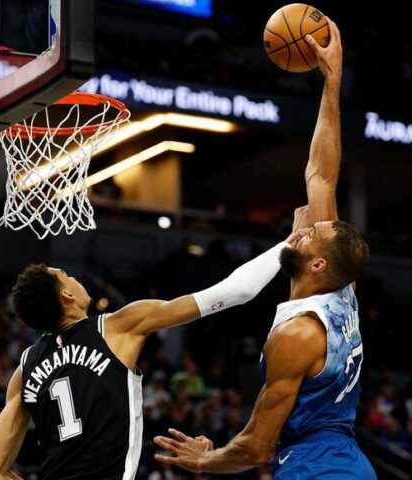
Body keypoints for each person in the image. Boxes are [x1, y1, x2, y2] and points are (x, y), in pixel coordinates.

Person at [153, 19, 375, 479]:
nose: (304, 226)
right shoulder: (341, 287)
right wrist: (331, 83)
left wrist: (204, 460)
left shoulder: (297, 335)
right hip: (345, 461)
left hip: (317, 468)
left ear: (317, 262)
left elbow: (256, 448)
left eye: (313, 233)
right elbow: (322, 174)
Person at [0, 234, 300, 478]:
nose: (73, 278)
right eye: (67, 275)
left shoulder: (24, 370)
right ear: (66, 295)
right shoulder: (118, 327)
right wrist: (288, 245)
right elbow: (235, 292)